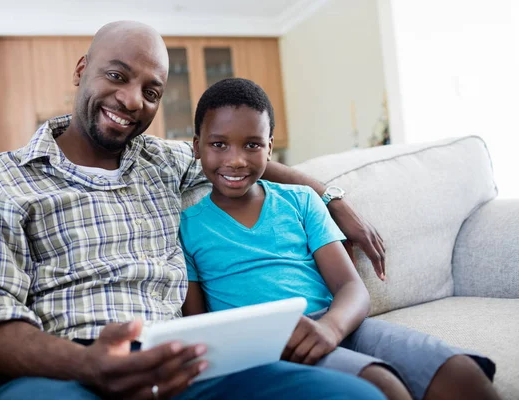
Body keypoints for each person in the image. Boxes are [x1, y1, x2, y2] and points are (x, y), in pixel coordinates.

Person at [0, 21, 387, 400]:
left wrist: (332, 199)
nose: (133, 101)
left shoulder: (160, 160)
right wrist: (88, 363)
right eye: (116, 76)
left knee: (357, 394)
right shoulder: (1, 180)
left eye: (151, 91)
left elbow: (244, 160)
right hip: (63, 374)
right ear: (82, 70)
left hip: (182, 368)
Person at [179, 77, 500, 400]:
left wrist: (331, 327)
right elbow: (199, 324)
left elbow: (351, 288)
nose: (236, 160)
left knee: (461, 372)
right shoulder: (187, 226)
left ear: (270, 148)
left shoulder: (301, 201)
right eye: (219, 144)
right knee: (381, 385)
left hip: (343, 325)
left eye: (252, 145)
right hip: (274, 345)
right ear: (197, 146)